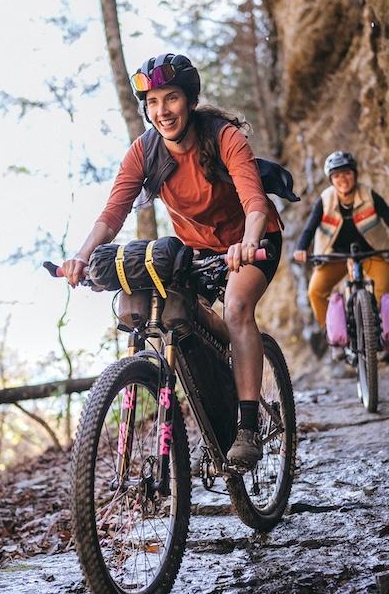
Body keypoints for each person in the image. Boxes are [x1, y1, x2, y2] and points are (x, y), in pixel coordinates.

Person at [60, 53, 282, 470]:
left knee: (236, 308)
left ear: (190, 99)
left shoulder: (224, 137)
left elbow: (254, 201)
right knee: (182, 320)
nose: (162, 111)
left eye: (172, 98)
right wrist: (82, 256)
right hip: (195, 252)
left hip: (252, 241)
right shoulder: (144, 152)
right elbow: (112, 214)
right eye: (154, 102)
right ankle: (220, 407)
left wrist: (248, 242)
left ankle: (248, 429)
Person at [292, 150, 389, 362]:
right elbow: (309, 229)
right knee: (315, 292)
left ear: (355, 174)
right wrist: (301, 248)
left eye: (347, 173)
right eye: (337, 176)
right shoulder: (325, 200)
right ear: (331, 180)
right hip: (334, 255)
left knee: (383, 288)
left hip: (370, 251)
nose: (343, 179)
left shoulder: (369, 195)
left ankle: (386, 340)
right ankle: (334, 336)